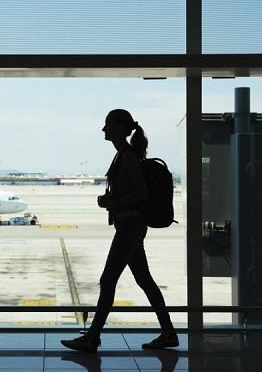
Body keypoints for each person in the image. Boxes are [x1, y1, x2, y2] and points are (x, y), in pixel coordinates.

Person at [61, 109, 178, 353]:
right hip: (129, 226)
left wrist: (110, 203)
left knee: (107, 280)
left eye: (107, 125)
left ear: (119, 128)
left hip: (130, 227)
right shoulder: (123, 155)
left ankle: (92, 337)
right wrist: (113, 198)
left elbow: (141, 193)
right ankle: (168, 333)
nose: (103, 130)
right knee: (144, 280)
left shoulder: (127, 156)